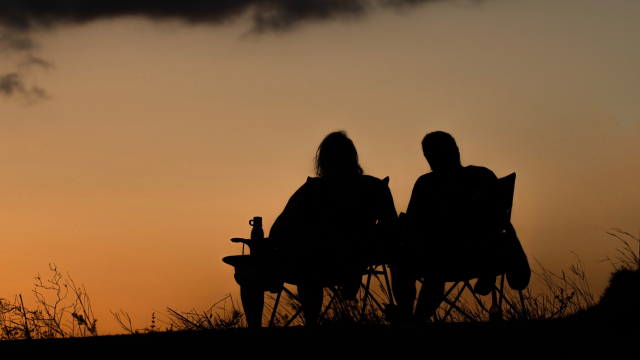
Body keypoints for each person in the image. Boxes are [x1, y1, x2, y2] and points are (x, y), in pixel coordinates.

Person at [228, 131, 398, 327]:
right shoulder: (376, 188)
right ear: (354, 158)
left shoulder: (313, 189)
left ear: (322, 161)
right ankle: (406, 315)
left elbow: (277, 230)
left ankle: (265, 328)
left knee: (264, 266)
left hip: (312, 265)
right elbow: (392, 229)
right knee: (310, 258)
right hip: (356, 262)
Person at [390, 131, 524, 321]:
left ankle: (410, 319)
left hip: (440, 259)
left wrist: (403, 229)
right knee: (437, 253)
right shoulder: (483, 176)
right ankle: (414, 321)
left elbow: (409, 229)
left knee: (406, 254)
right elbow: (500, 220)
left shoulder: (426, 184)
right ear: (457, 151)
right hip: (483, 256)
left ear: (429, 158)